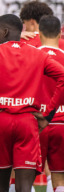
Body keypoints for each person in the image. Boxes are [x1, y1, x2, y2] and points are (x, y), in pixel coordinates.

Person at [0, 14, 64, 192]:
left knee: (0, 187)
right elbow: (62, 75)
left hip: (0, 121)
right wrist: (49, 114)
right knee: (25, 187)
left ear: (5, 32)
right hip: (28, 123)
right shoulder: (36, 53)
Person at [38, 15, 64, 192]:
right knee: (59, 176)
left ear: (39, 33)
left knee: (23, 175)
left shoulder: (31, 56)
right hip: (61, 123)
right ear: (60, 33)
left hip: (36, 123)